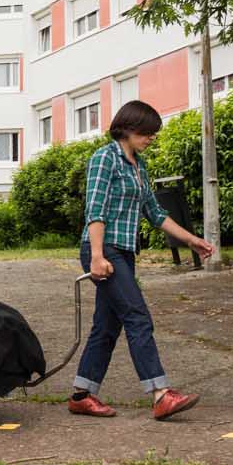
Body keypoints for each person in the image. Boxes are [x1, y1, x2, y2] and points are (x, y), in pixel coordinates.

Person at [70, 100, 213, 421]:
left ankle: (81, 394)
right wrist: (95, 256)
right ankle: (160, 394)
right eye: (147, 132)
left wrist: (193, 240)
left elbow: (155, 213)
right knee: (137, 316)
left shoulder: (139, 165)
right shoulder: (104, 158)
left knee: (107, 325)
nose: (152, 138)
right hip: (103, 249)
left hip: (124, 252)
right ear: (129, 127)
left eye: (153, 133)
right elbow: (95, 209)